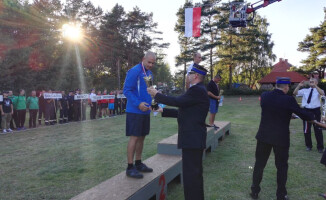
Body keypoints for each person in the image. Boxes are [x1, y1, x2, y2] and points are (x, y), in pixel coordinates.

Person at [147, 64, 209, 200]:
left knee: (191, 178)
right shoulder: (198, 90)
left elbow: (176, 101)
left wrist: (157, 94)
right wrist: (163, 110)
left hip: (192, 140)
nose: (187, 76)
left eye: (189, 74)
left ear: (196, 76)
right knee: (193, 176)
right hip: (193, 139)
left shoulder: (197, 90)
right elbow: (186, 112)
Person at [250, 77, 315, 200]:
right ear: (286, 87)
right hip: (281, 138)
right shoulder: (289, 100)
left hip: (264, 136)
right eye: (288, 87)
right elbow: (303, 114)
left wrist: (286, 115)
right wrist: (314, 116)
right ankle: (281, 195)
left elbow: (272, 110)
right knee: (281, 167)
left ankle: (254, 191)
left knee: (259, 164)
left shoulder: (264, 96)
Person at [123, 51, 156, 179]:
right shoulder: (134, 71)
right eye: (149, 62)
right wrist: (138, 104)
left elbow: (150, 91)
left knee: (142, 137)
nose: (151, 65)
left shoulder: (149, 73)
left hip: (145, 111)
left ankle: (138, 163)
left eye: (153, 63)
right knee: (134, 137)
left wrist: (153, 104)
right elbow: (127, 90)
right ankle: (130, 167)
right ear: (143, 59)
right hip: (134, 110)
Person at [293, 78, 324, 153]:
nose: (311, 82)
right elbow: (295, 93)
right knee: (306, 129)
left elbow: (322, 93)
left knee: (318, 129)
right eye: (310, 81)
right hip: (306, 111)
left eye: (313, 81)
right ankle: (308, 146)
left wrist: (315, 86)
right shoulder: (305, 90)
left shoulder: (318, 90)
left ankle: (320, 147)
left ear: (316, 82)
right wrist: (299, 86)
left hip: (316, 111)